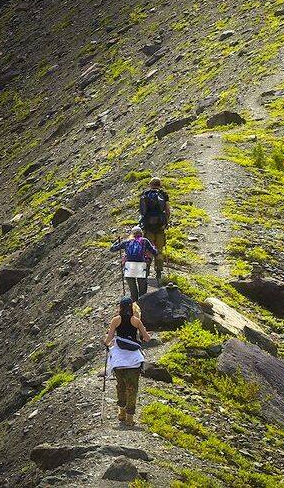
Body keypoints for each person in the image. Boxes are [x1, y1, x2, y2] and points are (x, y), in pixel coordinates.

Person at [104, 295, 148, 428]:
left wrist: (106, 343)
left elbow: (109, 339)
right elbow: (146, 337)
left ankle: (121, 413)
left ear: (120, 307)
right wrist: (143, 336)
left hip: (119, 358)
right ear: (131, 307)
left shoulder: (116, 320)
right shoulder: (136, 321)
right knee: (132, 388)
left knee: (121, 386)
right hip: (133, 359)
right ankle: (130, 418)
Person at [110, 226, 159, 300]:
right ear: (141, 233)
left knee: (133, 291)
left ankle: (133, 306)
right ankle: (143, 306)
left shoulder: (127, 241)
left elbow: (112, 249)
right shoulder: (144, 241)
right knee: (142, 291)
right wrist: (154, 248)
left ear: (132, 233)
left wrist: (116, 242)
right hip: (140, 265)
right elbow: (155, 253)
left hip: (129, 266)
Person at [137, 178, 171, 283]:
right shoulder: (163, 194)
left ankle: (146, 271)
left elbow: (142, 211)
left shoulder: (145, 194)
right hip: (160, 226)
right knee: (159, 250)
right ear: (160, 184)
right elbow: (168, 210)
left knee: (147, 249)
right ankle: (159, 273)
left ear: (150, 184)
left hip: (148, 226)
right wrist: (165, 222)